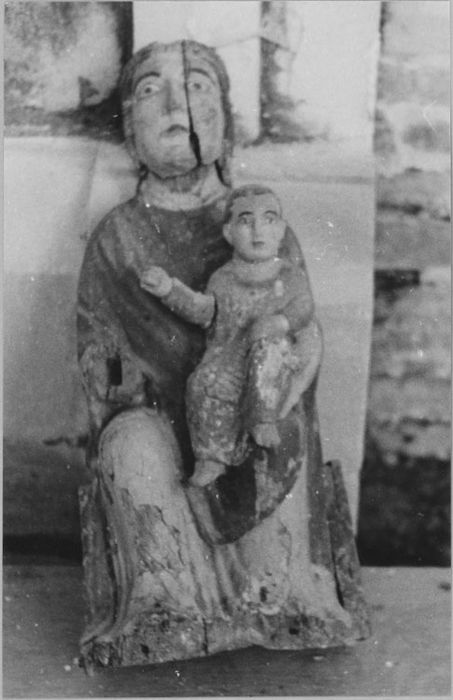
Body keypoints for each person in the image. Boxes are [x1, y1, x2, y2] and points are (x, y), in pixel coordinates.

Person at [77, 40, 369, 670]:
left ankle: (282, 592)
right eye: (152, 90)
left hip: (251, 411)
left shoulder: (263, 223)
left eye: (199, 87)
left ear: (226, 119)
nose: (177, 103)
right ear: (129, 123)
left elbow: (305, 327)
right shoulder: (116, 237)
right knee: (128, 445)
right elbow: (95, 345)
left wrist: (285, 380)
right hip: (160, 418)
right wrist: (112, 382)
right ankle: (167, 600)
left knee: (275, 449)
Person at [141, 184, 318, 487]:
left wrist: (281, 322)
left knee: (268, 351)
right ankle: (212, 458)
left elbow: (304, 309)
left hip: (277, 357)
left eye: (269, 220)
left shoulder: (288, 276)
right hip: (232, 357)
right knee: (202, 383)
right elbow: (206, 312)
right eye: (246, 221)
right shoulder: (223, 278)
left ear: (281, 230)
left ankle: (263, 418)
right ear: (228, 233)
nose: (258, 230)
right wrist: (170, 290)